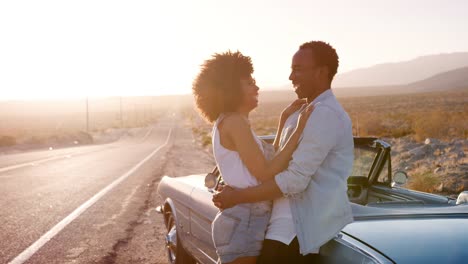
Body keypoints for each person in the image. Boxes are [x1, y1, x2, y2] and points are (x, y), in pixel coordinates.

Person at [213, 41, 354, 264]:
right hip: (274, 227)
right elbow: (275, 163)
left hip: (292, 232)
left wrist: (237, 196)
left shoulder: (325, 114)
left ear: (321, 72)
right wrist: (283, 121)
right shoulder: (302, 112)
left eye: (298, 69)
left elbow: (294, 180)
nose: (291, 77)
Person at [192, 51, 314, 264]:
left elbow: (264, 161)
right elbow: (265, 172)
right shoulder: (234, 123)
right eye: (249, 83)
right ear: (231, 90)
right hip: (245, 222)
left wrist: (284, 119)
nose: (256, 87)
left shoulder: (232, 122)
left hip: (244, 220)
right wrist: (298, 130)